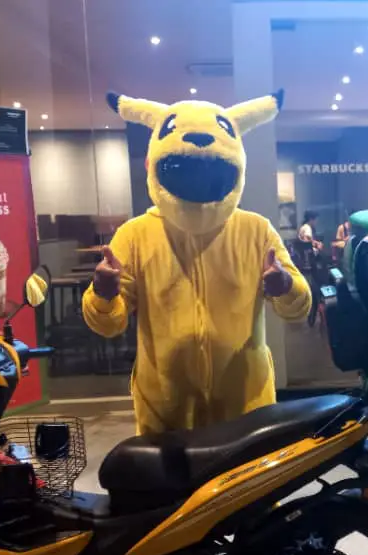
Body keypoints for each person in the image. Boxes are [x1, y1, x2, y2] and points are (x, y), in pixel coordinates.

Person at [83, 88, 311, 435]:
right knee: (173, 492)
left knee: (247, 490)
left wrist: (285, 286)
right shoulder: (135, 235)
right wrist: (103, 294)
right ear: (152, 164)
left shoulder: (256, 231)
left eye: (211, 170)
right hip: (166, 409)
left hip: (247, 407)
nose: (200, 178)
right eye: (183, 168)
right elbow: (109, 325)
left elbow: (298, 308)